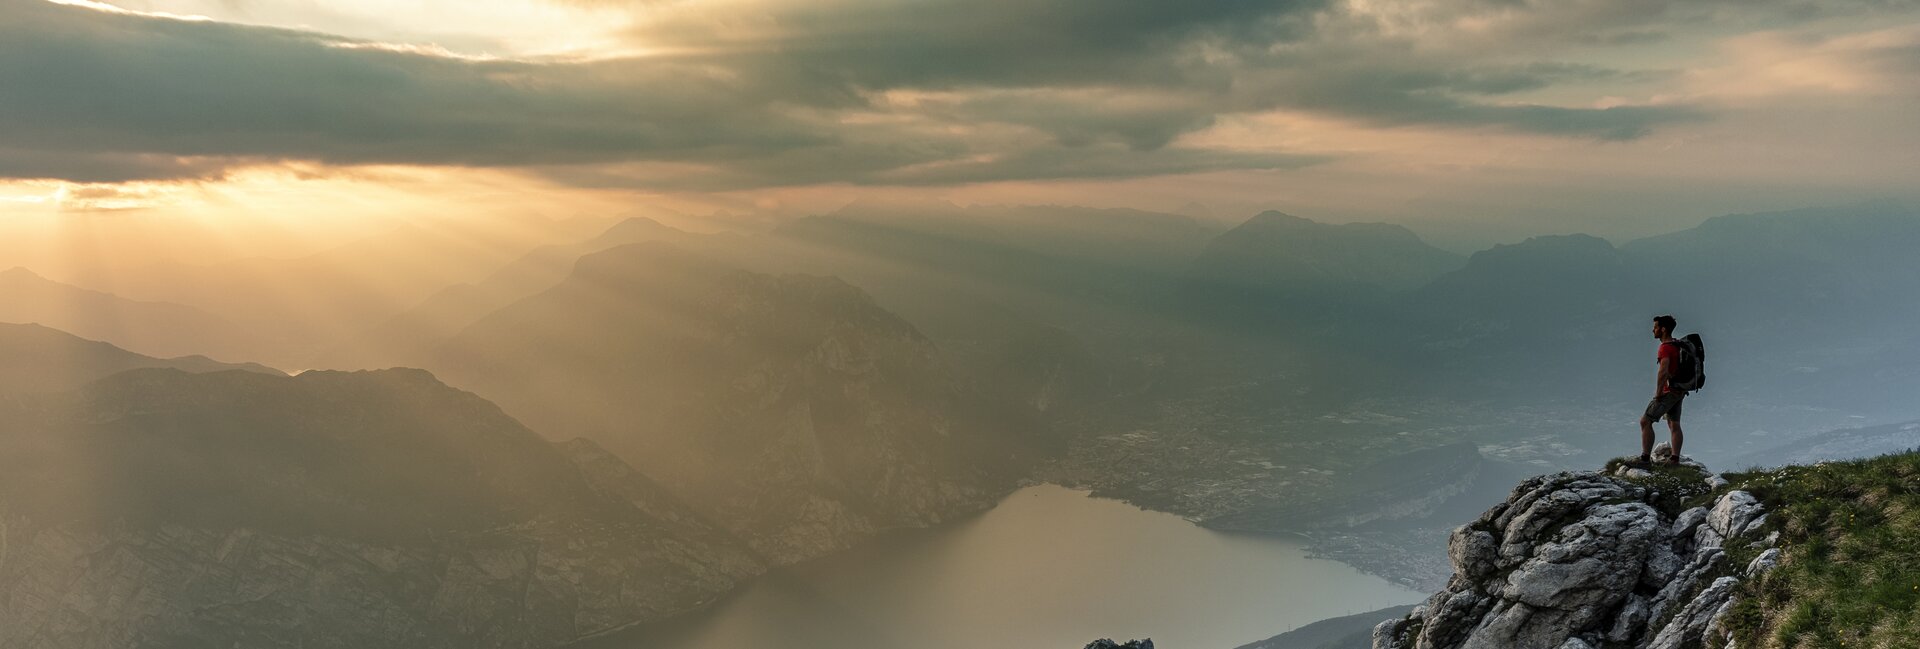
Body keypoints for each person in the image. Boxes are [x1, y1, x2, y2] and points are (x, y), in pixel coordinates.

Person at [1637, 314, 1685, 465]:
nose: (1653, 330)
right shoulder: (1677, 344)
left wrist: (1658, 393)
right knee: (1674, 424)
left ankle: (1645, 460)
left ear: (1663, 329)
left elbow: (1663, 371)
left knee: (1645, 421)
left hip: (1668, 391)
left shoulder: (1664, 348)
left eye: (1656, 327)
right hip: (1680, 389)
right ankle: (1675, 460)